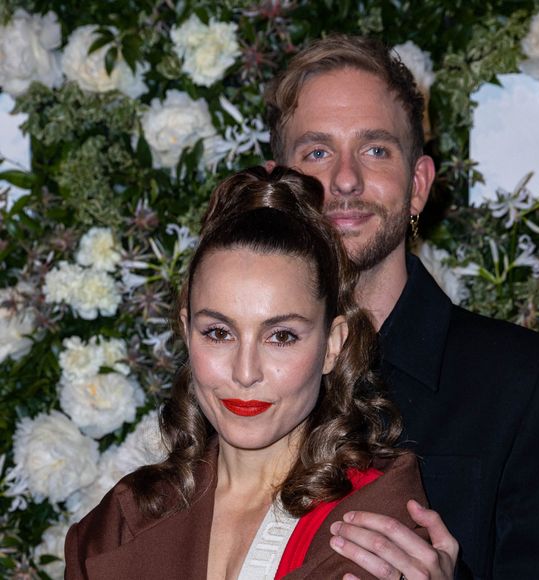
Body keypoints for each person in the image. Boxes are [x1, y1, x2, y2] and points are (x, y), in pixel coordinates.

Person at [264, 35, 539, 579]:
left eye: (375, 149)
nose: (345, 179)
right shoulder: (234, 378)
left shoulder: (526, 384)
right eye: (317, 151)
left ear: (417, 186)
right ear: (277, 188)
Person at [64, 166, 430, 579]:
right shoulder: (123, 519)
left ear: (332, 344)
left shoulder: (376, 514)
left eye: (281, 337)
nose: (245, 372)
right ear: (187, 332)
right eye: (219, 333)